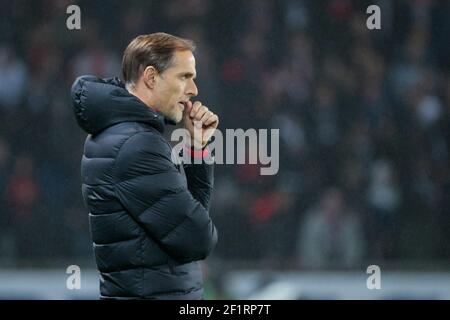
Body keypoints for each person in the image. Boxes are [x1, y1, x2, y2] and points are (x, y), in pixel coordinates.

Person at [70, 33, 219, 299]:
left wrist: (196, 149)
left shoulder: (119, 134)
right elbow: (198, 239)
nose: (194, 89)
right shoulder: (137, 145)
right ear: (151, 77)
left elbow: (187, 226)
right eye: (184, 76)